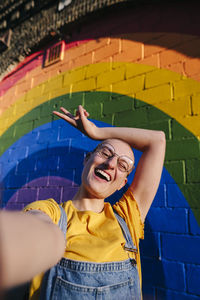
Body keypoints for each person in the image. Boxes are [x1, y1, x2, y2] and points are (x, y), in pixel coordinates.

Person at [2, 105, 165, 299]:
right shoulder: (50, 212)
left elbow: (157, 140)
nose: (111, 164)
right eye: (106, 152)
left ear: (122, 184)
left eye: (122, 165)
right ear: (87, 159)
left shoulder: (127, 218)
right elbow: (33, 235)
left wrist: (97, 132)